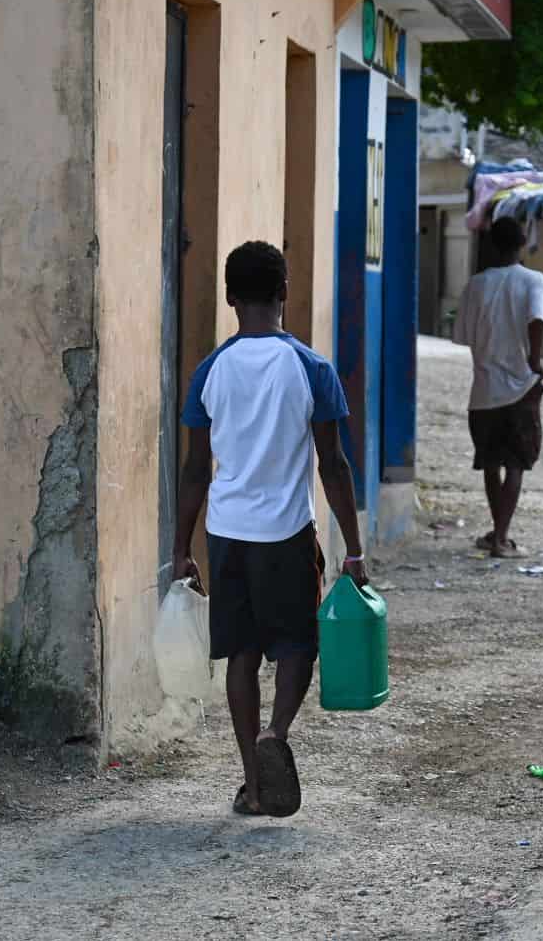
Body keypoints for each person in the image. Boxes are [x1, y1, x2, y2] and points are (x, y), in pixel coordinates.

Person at [172, 240, 369, 818]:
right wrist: (353, 548)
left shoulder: (208, 372)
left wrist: (182, 548)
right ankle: (275, 734)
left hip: (227, 534)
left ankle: (253, 784)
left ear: (230, 297)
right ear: (285, 293)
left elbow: (193, 469)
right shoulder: (311, 368)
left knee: (241, 655)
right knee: (296, 648)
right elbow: (333, 465)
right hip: (287, 533)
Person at [453, 217, 543, 558]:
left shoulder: (475, 285)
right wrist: (535, 363)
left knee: (491, 464)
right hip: (519, 389)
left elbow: (464, 337)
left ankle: (498, 532)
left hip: (483, 393)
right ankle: (501, 538)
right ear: (523, 242)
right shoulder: (535, 281)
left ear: (492, 244)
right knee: (516, 465)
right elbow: (537, 320)